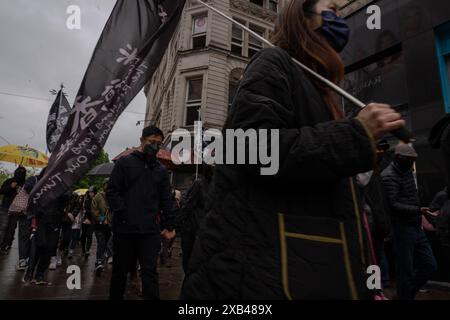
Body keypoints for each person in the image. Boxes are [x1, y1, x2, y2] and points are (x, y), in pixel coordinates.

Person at [182, 0, 406, 300]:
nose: (340, 19)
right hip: (256, 277)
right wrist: (356, 134)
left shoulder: (317, 88)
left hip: (301, 266)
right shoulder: (271, 62)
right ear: (305, 20)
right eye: (332, 11)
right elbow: (249, 149)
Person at [107, 125, 178, 300]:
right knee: (119, 272)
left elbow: (166, 199)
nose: (155, 146)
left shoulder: (161, 170)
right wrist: (123, 212)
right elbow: (112, 191)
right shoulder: (125, 163)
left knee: (149, 272)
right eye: (151, 142)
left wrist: (170, 225)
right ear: (142, 140)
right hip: (125, 229)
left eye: (158, 144)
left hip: (149, 231)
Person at [381, 144, 438, 300]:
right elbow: (393, 204)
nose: (412, 163)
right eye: (410, 160)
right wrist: (418, 210)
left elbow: (412, 199)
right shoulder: (388, 176)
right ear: (400, 158)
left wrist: (421, 214)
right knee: (404, 271)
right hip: (402, 227)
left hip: (415, 225)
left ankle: (403, 295)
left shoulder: (406, 171)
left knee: (430, 265)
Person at [23, 168, 72, 285]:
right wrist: (43, 184)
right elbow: (29, 187)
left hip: (55, 220)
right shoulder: (40, 177)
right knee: (39, 245)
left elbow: (68, 195)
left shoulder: (62, 181)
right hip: (41, 219)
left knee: (50, 248)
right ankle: (29, 273)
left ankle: (40, 274)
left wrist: (59, 189)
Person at [0, 166, 27, 253]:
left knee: (11, 228)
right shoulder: (9, 181)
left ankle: (6, 245)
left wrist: (21, 191)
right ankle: (2, 244)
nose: (20, 174)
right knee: (3, 227)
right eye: (19, 172)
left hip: (16, 210)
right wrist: (10, 187)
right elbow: (1, 191)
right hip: (5, 207)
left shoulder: (25, 184)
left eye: (22, 173)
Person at [92, 180, 112, 276]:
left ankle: (104, 258)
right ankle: (99, 262)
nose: (108, 186)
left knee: (108, 243)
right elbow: (94, 210)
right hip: (99, 225)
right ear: (103, 185)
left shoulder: (113, 196)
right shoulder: (97, 197)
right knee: (101, 242)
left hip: (109, 226)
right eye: (106, 184)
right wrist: (101, 218)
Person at [80, 187, 96, 257]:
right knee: (83, 236)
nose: (90, 194)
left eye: (92, 192)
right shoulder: (86, 200)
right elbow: (86, 210)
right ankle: (83, 250)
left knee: (89, 235)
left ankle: (87, 250)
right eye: (89, 192)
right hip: (85, 220)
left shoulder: (96, 200)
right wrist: (86, 218)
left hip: (92, 221)